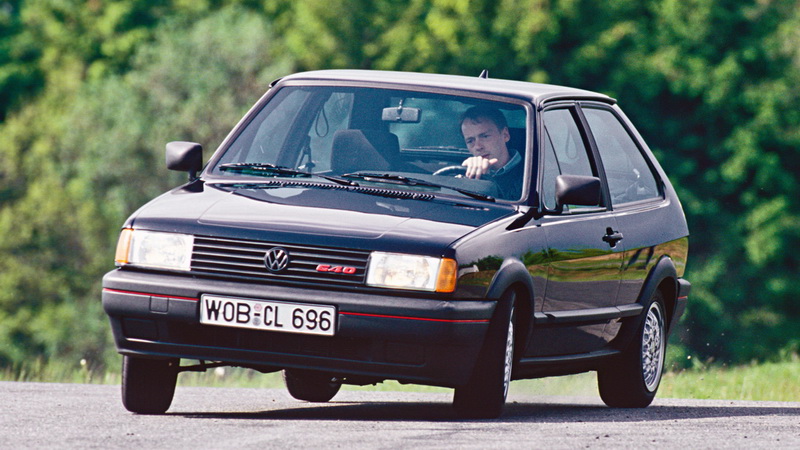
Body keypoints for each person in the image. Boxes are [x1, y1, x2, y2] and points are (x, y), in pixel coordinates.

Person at [460, 106, 523, 198]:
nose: (478, 147)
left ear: (505, 135)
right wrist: (465, 177)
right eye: (470, 141)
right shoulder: (460, 170)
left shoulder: (533, 173)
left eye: (485, 136)